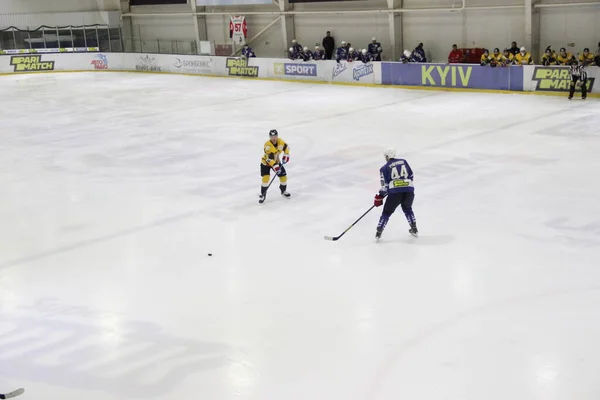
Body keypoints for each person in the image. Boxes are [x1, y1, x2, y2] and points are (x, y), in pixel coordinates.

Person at [374, 148, 417, 240]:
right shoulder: (404, 161)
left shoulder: (384, 168)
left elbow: (384, 186)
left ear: (386, 156)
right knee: (407, 209)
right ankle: (414, 228)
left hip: (395, 193)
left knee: (386, 212)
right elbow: (411, 176)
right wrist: (403, 184)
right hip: (409, 190)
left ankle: (379, 231)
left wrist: (380, 196)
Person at [259, 129, 290, 204]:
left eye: (275, 136)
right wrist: (276, 167)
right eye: (272, 136)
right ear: (270, 137)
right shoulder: (268, 146)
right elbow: (270, 159)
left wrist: (286, 155)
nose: (274, 138)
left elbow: (287, 148)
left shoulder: (280, 142)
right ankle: (263, 194)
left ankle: (283, 191)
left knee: (283, 176)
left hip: (276, 162)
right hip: (266, 163)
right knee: (266, 178)